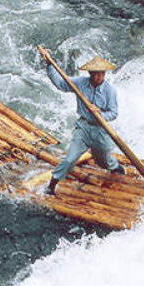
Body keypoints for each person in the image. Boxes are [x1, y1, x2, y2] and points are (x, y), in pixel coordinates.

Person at [37, 49, 124, 195]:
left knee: (103, 161)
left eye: (102, 73)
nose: (99, 76)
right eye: (96, 73)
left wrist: (99, 113)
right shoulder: (80, 83)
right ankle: (51, 186)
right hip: (83, 128)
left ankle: (115, 167)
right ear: (90, 73)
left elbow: (113, 113)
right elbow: (61, 84)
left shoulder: (110, 91)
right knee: (69, 159)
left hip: (100, 129)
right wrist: (49, 65)